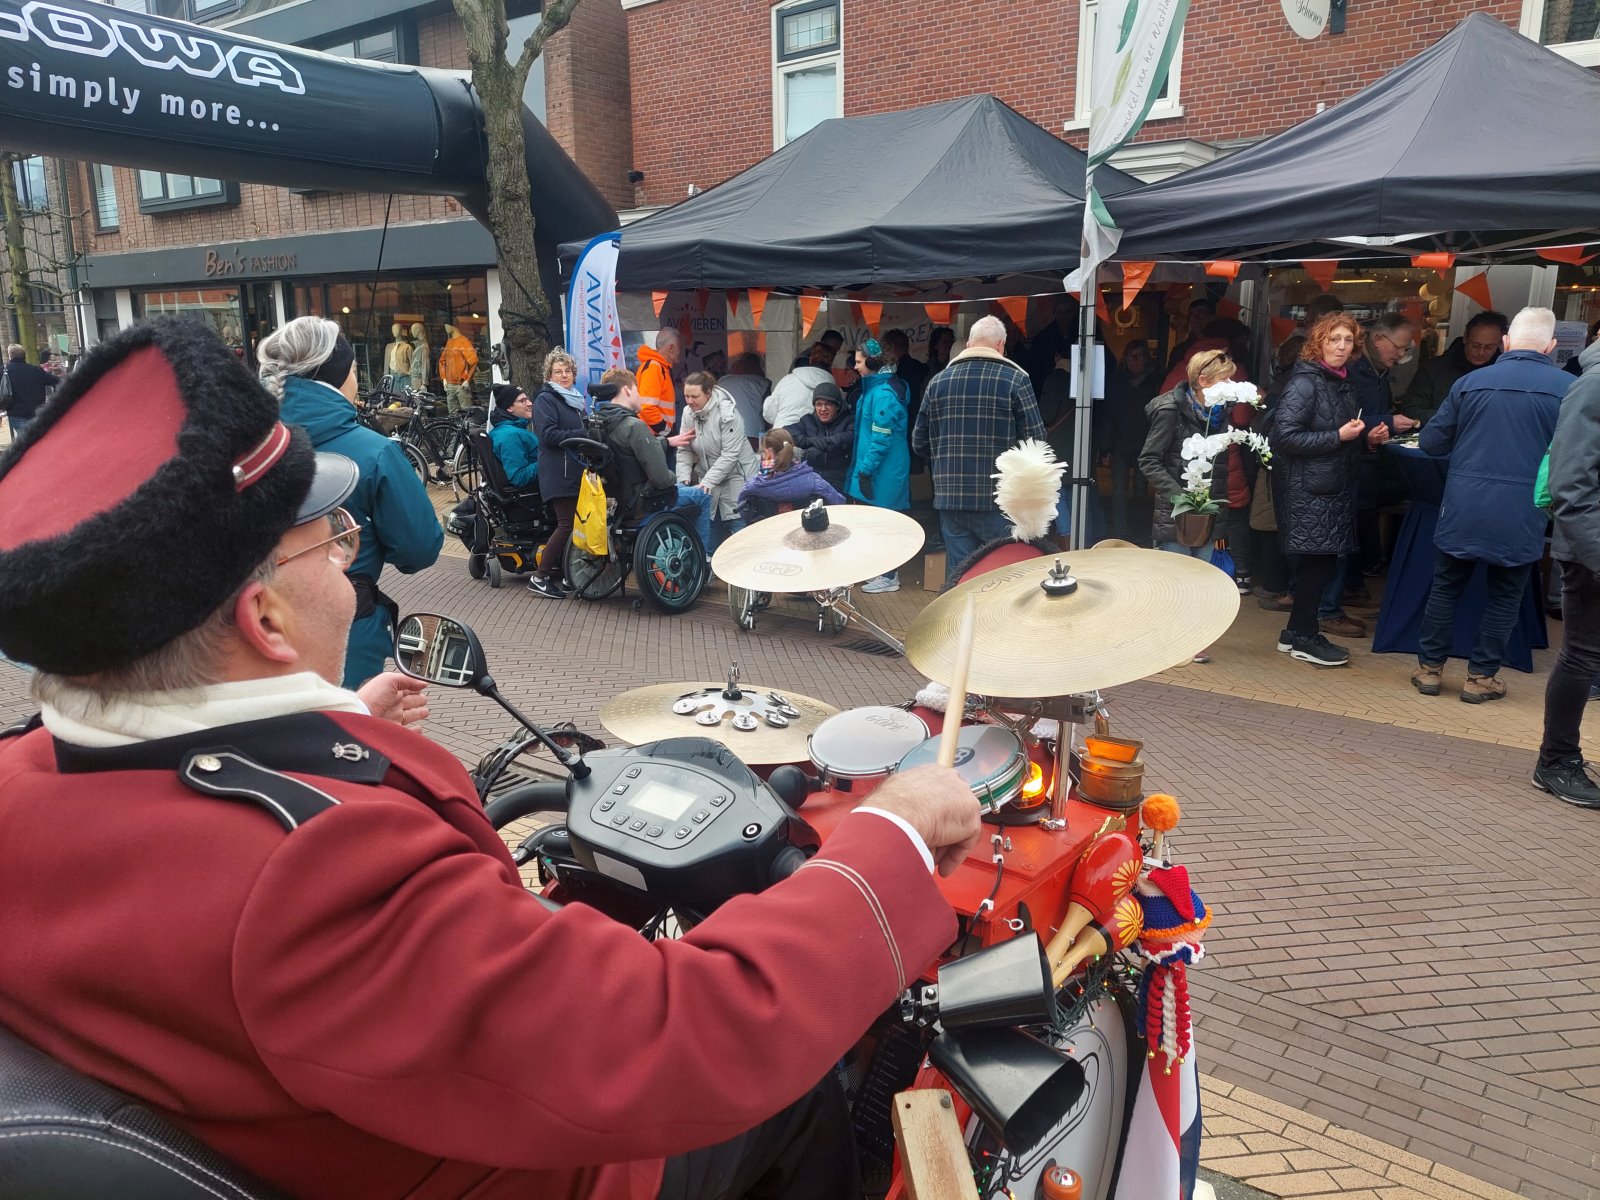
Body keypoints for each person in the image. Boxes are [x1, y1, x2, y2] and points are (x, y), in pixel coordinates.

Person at [0, 316, 985, 1200]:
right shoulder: (313, 872)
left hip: (321, 1117)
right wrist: (886, 839)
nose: (348, 571)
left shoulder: (25, 777)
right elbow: (674, 1037)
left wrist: (338, 729)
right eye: (332, 547)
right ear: (262, 617)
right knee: (795, 1088)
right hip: (530, 1168)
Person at [259, 316, 443, 687]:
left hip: (252, 629)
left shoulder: (241, 445)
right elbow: (419, 549)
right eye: (355, 369)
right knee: (346, 739)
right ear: (339, 378)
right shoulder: (374, 453)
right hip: (343, 635)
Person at [1410, 307, 1567, 704]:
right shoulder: (1569, 387)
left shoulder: (1471, 382)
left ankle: (1429, 670)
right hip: (1524, 507)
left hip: (1464, 502)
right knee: (1504, 597)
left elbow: (1431, 443)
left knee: (1446, 588)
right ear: (1550, 347)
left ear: (1507, 343)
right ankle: (1480, 679)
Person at [1270, 313, 1384, 668]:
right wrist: (1339, 436)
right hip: (1310, 490)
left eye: (1347, 340)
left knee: (1316, 564)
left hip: (1331, 486)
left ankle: (1294, 633)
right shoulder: (1306, 383)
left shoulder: (1340, 382)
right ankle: (1304, 635)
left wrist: (1366, 440)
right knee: (1317, 564)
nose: (1341, 346)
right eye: (1333, 339)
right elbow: (1283, 437)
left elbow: (1338, 435)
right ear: (1318, 342)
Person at [913, 316, 1046, 589]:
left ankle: (957, 628)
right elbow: (1036, 442)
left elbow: (918, 443)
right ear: (1001, 345)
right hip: (1000, 499)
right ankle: (994, 630)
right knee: (1002, 577)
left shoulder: (937, 382)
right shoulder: (1016, 380)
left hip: (950, 498)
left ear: (970, 344)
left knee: (961, 578)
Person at [1140, 348, 1239, 664]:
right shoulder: (1170, 410)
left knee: (1202, 580)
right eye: (1224, 380)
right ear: (1202, 380)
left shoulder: (1220, 413)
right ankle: (1171, 641)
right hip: (1178, 511)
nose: (1230, 386)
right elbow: (1149, 460)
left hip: (1208, 512)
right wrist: (1179, 497)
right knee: (1178, 580)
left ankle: (1192, 639)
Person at [1536, 336, 1600, 806]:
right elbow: (1570, 485)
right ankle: (1556, 759)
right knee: (1581, 657)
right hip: (1588, 552)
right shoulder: (1594, 386)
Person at [592, 366, 713, 549]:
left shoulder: (596, 424)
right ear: (627, 390)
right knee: (702, 496)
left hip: (612, 505)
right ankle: (701, 559)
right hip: (643, 503)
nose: (640, 395)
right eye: (637, 389)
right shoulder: (634, 426)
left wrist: (665, 442)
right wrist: (678, 480)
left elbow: (626, 453)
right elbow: (662, 480)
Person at [850, 337, 916, 593]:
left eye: (858, 361)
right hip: (882, 469)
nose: (855, 367)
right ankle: (882, 572)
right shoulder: (878, 389)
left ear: (872, 361)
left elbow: (880, 439)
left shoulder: (883, 394)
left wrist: (866, 469)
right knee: (878, 523)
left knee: (887, 524)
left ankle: (889, 577)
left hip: (883, 471)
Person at [527, 348, 593, 600]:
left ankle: (569, 576)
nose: (564, 375)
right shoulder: (546, 399)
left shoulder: (574, 399)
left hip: (575, 470)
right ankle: (540, 577)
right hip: (560, 472)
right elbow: (548, 435)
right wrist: (582, 435)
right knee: (566, 525)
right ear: (549, 375)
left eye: (567, 371)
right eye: (558, 372)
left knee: (577, 525)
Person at [677, 370, 759, 553]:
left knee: (738, 529)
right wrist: (683, 479)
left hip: (737, 476)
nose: (689, 401)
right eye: (686, 396)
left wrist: (707, 481)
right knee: (710, 525)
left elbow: (730, 455)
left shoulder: (728, 415)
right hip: (708, 479)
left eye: (694, 396)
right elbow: (684, 448)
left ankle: (741, 577)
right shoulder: (688, 413)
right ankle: (709, 570)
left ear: (708, 393)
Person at [1398, 310, 1508, 427]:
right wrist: (1450, 419)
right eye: (1475, 345)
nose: (1481, 352)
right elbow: (1410, 409)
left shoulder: (1505, 375)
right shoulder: (1435, 368)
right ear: (1465, 338)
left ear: (1501, 343)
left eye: (1489, 347)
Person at [1103, 341, 1161, 540]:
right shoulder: (1116, 381)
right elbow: (1109, 415)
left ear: (1147, 358)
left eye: (1139, 356)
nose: (1134, 360)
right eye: (1130, 356)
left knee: (1141, 489)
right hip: (1120, 443)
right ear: (1124, 359)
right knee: (1119, 490)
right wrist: (1106, 448)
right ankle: (1120, 531)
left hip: (1145, 444)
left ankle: (1139, 530)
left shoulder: (1155, 382)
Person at [738, 428, 846, 519]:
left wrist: (764, 472)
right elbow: (839, 503)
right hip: (806, 537)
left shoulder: (754, 486)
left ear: (766, 454)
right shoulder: (813, 480)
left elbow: (743, 513)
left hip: (768, 538)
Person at [785, 380, 855, 494]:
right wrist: (810, 441)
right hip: (810, 479)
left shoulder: (849, 420)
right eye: (819, 404)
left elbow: (849, 436)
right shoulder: (808, 420)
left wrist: (826, 442)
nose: (823, 409)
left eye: (828, 404)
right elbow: (786, 431)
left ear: (837, 406)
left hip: (839, 481)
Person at [765, 344, 834, 430]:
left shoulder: (788, 380)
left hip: (782, 434)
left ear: (810, 359)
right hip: (813, 438)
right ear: (831, 363)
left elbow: (769, 412)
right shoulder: (832, 388)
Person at [2, 343, 58, 443]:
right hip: (37, 412)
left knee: (26, 442)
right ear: (24, 356)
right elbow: (57, 381)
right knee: (37, 440)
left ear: (10, 355)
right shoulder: (36, 370)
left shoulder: (4, 371)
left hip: (16, 413)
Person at [487, 382, 539, 489]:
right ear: (509, 408)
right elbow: (518, 477)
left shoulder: (505, 430)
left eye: (527, 399)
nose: (529, 403)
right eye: (522, 401)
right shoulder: (511, 436)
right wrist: (550, 460)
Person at [719, 351, 771, 446]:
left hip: (725, 434)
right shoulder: (763, 383)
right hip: (753, 435)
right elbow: (768, 414)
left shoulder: (721, 383)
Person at [636, 327, 682, 433]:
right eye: (680, 347)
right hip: (655, 438)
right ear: (671, 348)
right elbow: (646, 409)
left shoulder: (659, 367)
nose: (680, 352)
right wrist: (667, 433)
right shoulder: (654, 368)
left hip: (657, 437)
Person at [1165, 297, 1215, 372]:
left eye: (1201, 313)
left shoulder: (1223, 346)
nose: (1195, 318)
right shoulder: (1180, 350)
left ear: (1212, 317)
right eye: (1191, 314)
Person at [438, 323, 478, 415]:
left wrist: (468, 380)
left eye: (447, 325)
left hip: (461, 385)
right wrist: (444, 378)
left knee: (467, 414)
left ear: (453, 326)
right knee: (452, 414)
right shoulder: (449, 342)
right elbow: (442, 361)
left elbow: (474, 361)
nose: (445, 327)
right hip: (450, 385)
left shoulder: (463, 341)